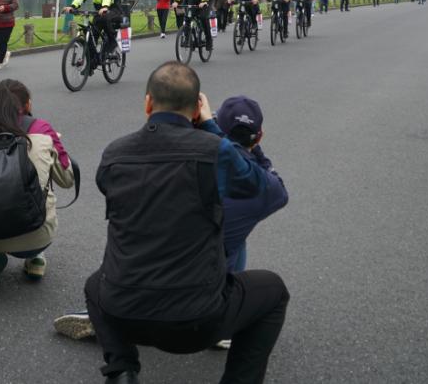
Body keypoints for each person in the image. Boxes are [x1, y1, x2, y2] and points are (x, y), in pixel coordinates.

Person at [83, 62, 289, 384]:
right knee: (274, 291)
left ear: (148, 103)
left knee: (96, 284)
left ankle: (121, 368)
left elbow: (109, 188)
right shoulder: (215, 151)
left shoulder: (114, 154)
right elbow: (261, 186)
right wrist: (211, 127)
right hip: (197, 323)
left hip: (123, 312)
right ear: (196, 109)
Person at [0, 80, 76, 290]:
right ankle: (35, 257)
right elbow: (67, 179)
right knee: (36, 198)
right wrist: (55, 145)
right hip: (39, 234)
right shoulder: (43, 130)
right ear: (26, 105)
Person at [215, 96, 289, 274]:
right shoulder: (263, 187)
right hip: (212, 282)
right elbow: (281, 192)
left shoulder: (194, 153)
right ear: (259, 137)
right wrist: (255, 148)